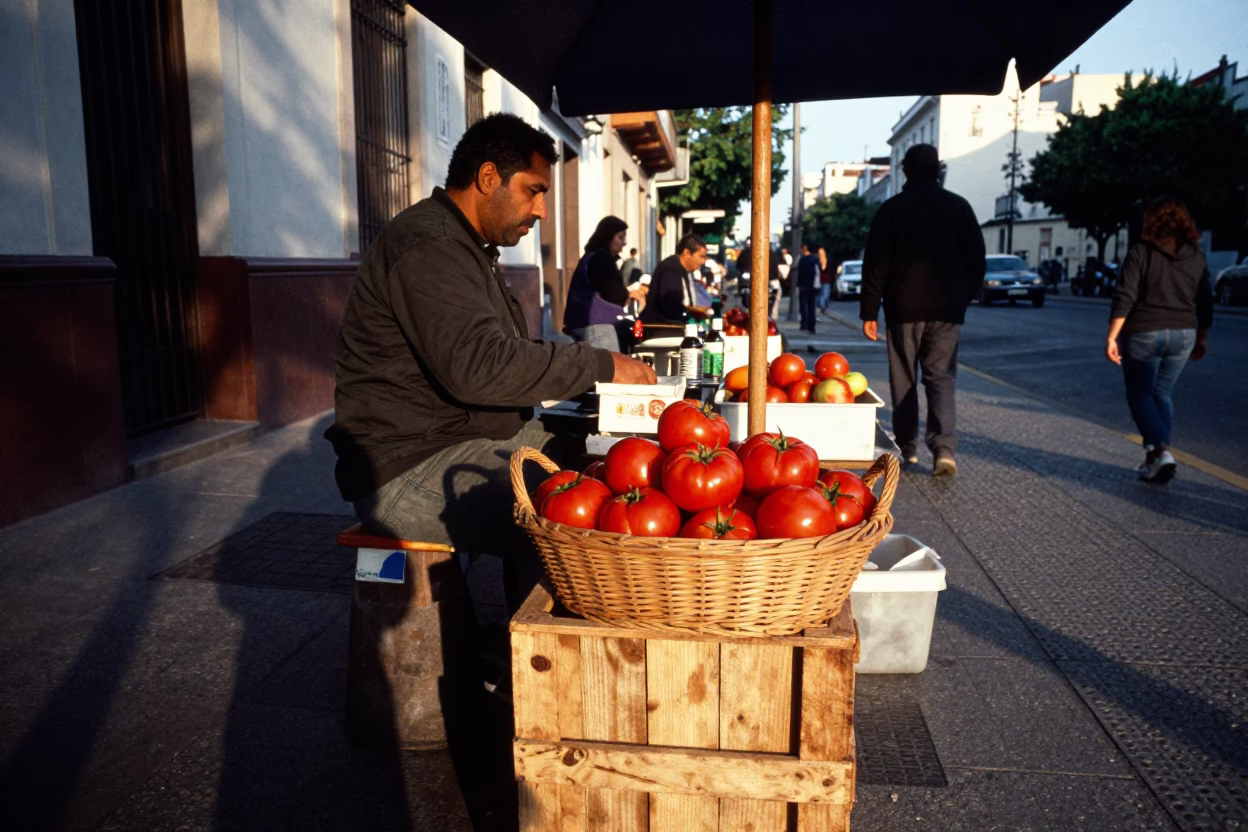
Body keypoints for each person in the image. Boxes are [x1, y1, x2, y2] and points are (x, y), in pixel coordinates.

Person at [325, 113, 656, 603]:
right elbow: (483, 367)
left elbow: (505, 359)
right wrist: (602, 364)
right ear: (487, 179)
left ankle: (520, 644)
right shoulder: (429, 244)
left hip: (463, 437)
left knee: (598, 464)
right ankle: (538, 660)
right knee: (574, 517)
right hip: (405, 468)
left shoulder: (465, 246)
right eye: (533, 191)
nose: (542, 209)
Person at [859, 144, 985, 477]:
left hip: (903, 308)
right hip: (946, 310)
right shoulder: (959, 208)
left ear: (905, 171)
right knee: (941, 379)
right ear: (938, 169)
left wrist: (869, 311)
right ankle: (944, 450)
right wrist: (963, 297)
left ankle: (907, 450)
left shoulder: (891, 210)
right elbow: (977, 261)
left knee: (904, 380)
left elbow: (875, 266)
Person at [1106, 196, 1213, 483]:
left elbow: (1124, 297)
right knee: (1161, 393)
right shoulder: (1195, 255)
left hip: (1144, 333)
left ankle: (1162, 451)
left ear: (1150, 221)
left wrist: (1112, 337)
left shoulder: (1140, 252)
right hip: (1184, 334)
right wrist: (1201, 338)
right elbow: (1205, 301)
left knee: (1140, 395)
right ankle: (1153, 460)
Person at [564, 217, 647, 350]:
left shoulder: (591, 255)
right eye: (620, 237)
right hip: (597, 326)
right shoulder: (601, 258)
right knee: (610, 368)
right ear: (608, 237)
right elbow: (613, 293)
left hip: (583, 323)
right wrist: (630, 295)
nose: (624, 243)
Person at [642, 233, 710, 324]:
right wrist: (691, 313)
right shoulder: (671, 269)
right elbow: (670, 304)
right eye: (701, 256)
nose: (703, 261)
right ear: (687, 253)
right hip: (663, 329)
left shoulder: (683, 270)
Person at [795, 242, 820, 331]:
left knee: (803, 306)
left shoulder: (801, 259)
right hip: (812, 286)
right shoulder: (815, 259)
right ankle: (812, 325)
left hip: (802, 285)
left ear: (805, 248)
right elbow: (818, 272)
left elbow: (795, 267)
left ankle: (803, 323)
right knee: (811, 306)